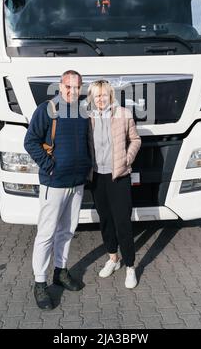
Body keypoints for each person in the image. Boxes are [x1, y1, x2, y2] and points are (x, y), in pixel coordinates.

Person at [24, 70, 92, 310]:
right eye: (68, 87)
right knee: (46, 234)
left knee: (67, 231)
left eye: (77, 88)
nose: (72, 92)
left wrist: (87, 169)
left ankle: (60, 272)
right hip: (54, 183)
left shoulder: (83, 111)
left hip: (77, 182)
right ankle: (40, 283)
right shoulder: (47, 109)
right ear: (60, 87)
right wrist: (49, 166)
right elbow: (30, 141)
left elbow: (87, 142)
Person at [87, 80, 141, 289]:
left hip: (118, 176)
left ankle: (130, 266)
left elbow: (135, 140)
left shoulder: (124, 114)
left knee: (122, 222)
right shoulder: (87, 117)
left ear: (111, 95)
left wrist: (127, 159)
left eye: (104, 95)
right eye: (97, 96)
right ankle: (113, 259)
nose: (101, 99)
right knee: (106, 221)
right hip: (97, 177)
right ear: (92, 98)